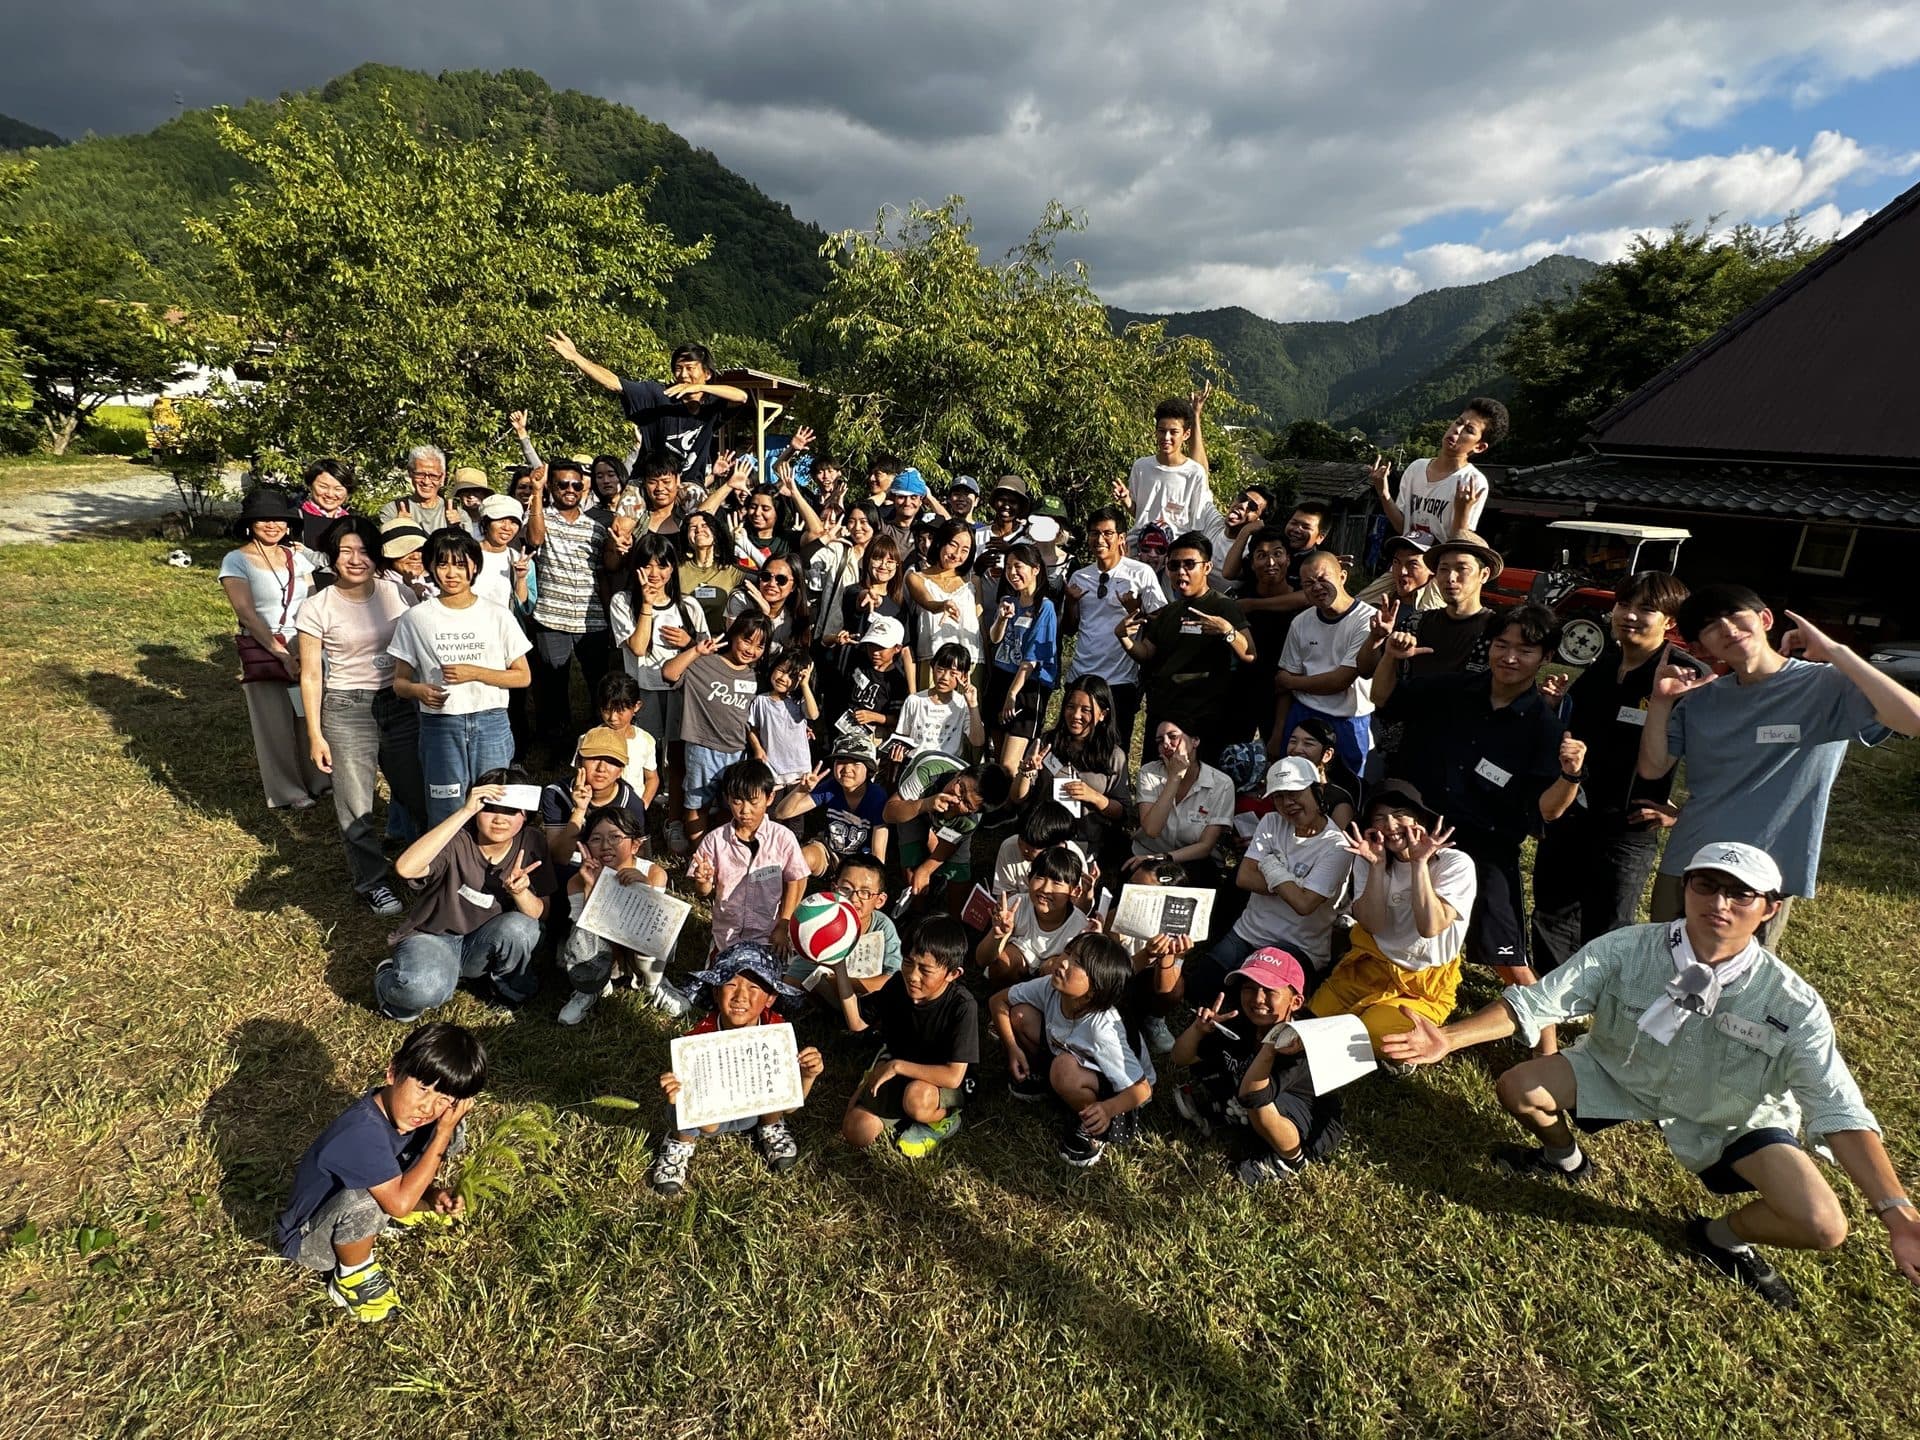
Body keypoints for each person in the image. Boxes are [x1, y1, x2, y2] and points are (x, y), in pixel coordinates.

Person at [1383, 842, 1920, 1311]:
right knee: (1518, 1087)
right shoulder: (1626, 948)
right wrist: (1448, 1038)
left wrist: (1898, 1215)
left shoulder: (1792, 1003)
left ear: (1770, 908)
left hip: (1732, 1115)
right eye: (1707, 886)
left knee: (1823, 1224)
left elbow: (1837, 1106)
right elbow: (1538, 1002)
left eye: (1741, 894)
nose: (1720, 904)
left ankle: (1720, 1236)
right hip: (1619, 1071)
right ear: (1686, 888)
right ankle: (1563, 1158)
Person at [1638, 586, 1920, 947]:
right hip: (1690, 858)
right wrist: (1661, 703)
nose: (1727, 628)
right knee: (1666, 963)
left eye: (1734, 614)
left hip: (1765, 871)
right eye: (1710, 626)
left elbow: (1913, 721)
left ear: (1766, 619)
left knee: (1742, 977)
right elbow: (1653, 768)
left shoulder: (1826, 685)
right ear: (1702, 647)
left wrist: (1837, 653)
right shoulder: (1701, 700)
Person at [1372, 605, 1581, 1045]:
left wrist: (1570, 777)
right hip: (1423, 835)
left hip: (1486, 847)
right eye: (1502, 645)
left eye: (1525, 650)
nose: (1509, 657)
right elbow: (1384, 698)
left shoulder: (1543, 727)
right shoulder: (1453, 688)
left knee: (1508, 958)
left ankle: (1547, 1052)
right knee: (1393, 918)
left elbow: (1548, 810)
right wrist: (1390, 656)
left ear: (1545, 658)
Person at [1531, 573, 1704, 967]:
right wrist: (1556, 705)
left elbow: (1716, 753)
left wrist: (1682, 811)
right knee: (1552, 911)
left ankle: (1603, 995)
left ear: (1669, 621)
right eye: (1624, 605)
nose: (1630, 615)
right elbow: (1578, 730)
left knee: (1608, 923)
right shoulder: (1605, 663)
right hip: (1572, 810)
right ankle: (1552, 992)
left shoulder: (1683, 675)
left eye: (1646, 609)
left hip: (1627, 825)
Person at [274, 1022, 486, 1323]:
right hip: (310, 1241)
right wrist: (441, 1133)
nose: (428, 1108)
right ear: (392, 1072)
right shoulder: (361, 1132)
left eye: (446, 1100)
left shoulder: (415, 1121)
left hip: (381, 1197)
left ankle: (391, 1215)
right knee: (372, 1198)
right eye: (423, 1089)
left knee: (448, 1137)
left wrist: (431, 1195)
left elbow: (406, 1177)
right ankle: (352, 1276)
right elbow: (397, 1204)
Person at [297, 517, 428, 916]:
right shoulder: (316, 606)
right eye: (346, 552)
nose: (356, 560)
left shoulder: (398, 593)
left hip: (399, 703)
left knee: (417, 792)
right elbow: (311, 675)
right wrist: (315, 734)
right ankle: (372, 881)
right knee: (355, 804)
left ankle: (423, 865)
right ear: (332, 557)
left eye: (365, 551)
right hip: (347, 708)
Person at [1306, 782, 1477, 1059]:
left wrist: (1418, 864)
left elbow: (1430, 927)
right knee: (1311, 1020)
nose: (1390, 825)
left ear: (1419, 818)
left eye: (1399, 814)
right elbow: (1372, 925)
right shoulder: (1369, 858)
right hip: (1370, 967)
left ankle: (1408, 1045)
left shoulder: (1455, 863)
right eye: (1379, 817)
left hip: (1422, 983)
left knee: (1372, 1033)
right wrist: (1375, 866)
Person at [650, 943, 826, 1195]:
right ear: (715, 991)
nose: (741, 996)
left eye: (754, 987)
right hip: (712, 1117)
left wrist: (808, 1075)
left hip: (754, 1111)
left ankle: (770, 1125)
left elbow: (789, 1105)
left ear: (771, 998)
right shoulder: (698, 1042)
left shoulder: (776, 1033)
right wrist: (683, 1100)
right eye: (731, 984)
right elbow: (709, 1126)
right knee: (681, 1104)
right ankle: (680, 1143)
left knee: (773, 1082)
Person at [375, 775, 554, 1021]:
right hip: (433, 936)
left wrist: (521, 893)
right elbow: (406, 868)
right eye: (489, 808)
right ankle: (386, 977)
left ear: (525, 815)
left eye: (511, 811)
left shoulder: (532, 841)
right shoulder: (458, 837)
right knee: (419, 992)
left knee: (523, 927)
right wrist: (464, 812)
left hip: (484, 942)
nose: (500, 819)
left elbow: (540, 913)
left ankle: (505, 989)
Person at [387, 529, 531, 827]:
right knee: (447, 805)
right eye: (442, 564)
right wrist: (417, 690)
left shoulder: (497, 614)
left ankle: (488, 856)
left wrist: (475, 673)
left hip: (490, 721)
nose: (451, 573)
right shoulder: (416, 618)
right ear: (430, 567)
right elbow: (399, 683)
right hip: (440, 725)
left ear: (475, 566)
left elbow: (522, 677)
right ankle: (449, 856)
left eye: (460, 564)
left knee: (494, 803)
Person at [1168, 948, 1346, 1186]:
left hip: (1304, 1117)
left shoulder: (1302, 1041)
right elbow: (1180, 1058)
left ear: (1295, 1002)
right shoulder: (1240, 1019)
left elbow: (1253, 1097)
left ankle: (1291, 1160)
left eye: (1270, 990)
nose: (1257, 998)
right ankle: (1226, 1112)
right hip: (1251, 1094)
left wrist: (1269, 1048)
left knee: (1256, 1101)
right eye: (1249, 988)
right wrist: (1198, 1030)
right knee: (1216, 1067)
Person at [1183, 756, 1354, 999]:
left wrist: (1271, 866)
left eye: (1294, 793)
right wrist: (1295, 886)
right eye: (1278, 797)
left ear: (1318, 791)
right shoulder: (1271, 821)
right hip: (1248, 932)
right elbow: (1244, 878)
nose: (1287, 803)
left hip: (1298, 947)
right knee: (1198, 989)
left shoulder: (1336, 846)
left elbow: (1304, 905)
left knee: (1256, 1002)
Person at [990, 931, 1156, 1168]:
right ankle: (1047, 1082)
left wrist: (1107, 1109)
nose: (1064, 962)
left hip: (1123, 1091)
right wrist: (1013, 1048)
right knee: (1020, 1015)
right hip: (1072, 1056)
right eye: (1068, 952)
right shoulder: (1051, 986)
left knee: (1064, 1068)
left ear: (1095, 989)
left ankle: (1093, 1127)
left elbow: (1142, 1090)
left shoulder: (1102, 1029)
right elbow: (998, 1001)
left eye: (1078, 963)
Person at [831, 915, 979, 1158]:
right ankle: (902, 1116)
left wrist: (896, 1066)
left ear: (953, 974)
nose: (913, 975)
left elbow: (953, 1077)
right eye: (908, 962)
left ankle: (942, 1120)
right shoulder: (898, 985)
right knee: (857, 1131)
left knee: (916, 1100)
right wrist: (839, 969)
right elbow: (857, 1023)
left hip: (938, 1081)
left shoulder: (963, 1006)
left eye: (925, 970)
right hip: (898, 1065)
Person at [219, 487, 329, 810]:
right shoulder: (236, 560)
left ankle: (319, 778)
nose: (272, 525)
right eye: (263, 519)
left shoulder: (297, 556)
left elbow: (313, 601)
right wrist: (281, 654)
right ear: (249, 524)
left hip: (303, 640)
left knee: (308, 713)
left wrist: (308, 646)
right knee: (273, 722)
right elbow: (246, 613)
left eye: (279, 519)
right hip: (263, 644)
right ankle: (287, 789)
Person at [1118, 531, 1254, 761]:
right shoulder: (1169, 611)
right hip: (1162, 715)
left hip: (1202, 720)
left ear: (1207, 567)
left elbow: (1250, 653)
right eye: (1174, 565)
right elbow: (1147, 653)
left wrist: (1227, 631)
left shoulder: (1223, 606)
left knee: (1196, 780)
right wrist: (1124, 637)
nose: (1181, 571)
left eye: (1189, 564)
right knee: (1154, 776)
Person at [548, 333, 747, 482]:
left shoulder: (713, 404)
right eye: (678, 369)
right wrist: (576, 357)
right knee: (624, 518)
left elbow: (742, 397)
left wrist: (700, 387)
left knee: (695, 515)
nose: (683, 374)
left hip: (688, 483)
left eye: (690, 368)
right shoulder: (658, 394)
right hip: (647, 479)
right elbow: (615, 383)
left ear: (707, 373)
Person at [610, 532, 709, 817]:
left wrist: (687, 642)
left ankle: (673, 807)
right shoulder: (623, 601)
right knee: (646, 748)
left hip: (681, 690)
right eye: (647, 565)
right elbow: (638, 647)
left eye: (662, 565)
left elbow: (705, 650)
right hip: (644, 688)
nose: (654, 574)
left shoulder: (688, 606)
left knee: (676, 751)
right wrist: (647, 605)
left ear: (673, 568)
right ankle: (643, 803)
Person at [556, 806, 683, 1026]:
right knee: (581, 936)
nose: (606, 846)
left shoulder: (653, 873)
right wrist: (590, 887)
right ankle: (590, 989)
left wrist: (644, 888)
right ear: (586, 846)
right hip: (604, 953)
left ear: (635, 845)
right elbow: (582, 932)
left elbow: (657, 923)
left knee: (659, 924)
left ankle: (654, 984)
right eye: (596, 839)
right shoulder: (577, 880)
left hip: (637, 956)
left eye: (615, 837)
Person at [525, 458, 613, 757]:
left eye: (576, 485)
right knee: (553, 687)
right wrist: (536, 492)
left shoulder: (596, 528)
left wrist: (609, 616)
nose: (570, 490)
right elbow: (535, 539)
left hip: (592, 620)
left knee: (598, 683)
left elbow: (602, 572)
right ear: (552, 487)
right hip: (552, 617)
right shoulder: (542, 518)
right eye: (563, 484)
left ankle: (599, 740)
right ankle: (557, 747)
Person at [661, 613, 770, 850]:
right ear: (733, 635)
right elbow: (669, 673)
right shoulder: (704, 663)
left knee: (730, 805)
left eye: (759, 646)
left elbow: (750, 720)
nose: (751, 650)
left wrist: (756, 747)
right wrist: (695, 651)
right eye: (747, 641)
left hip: (737, 751)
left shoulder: (754, 676)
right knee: (697, 803)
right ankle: (700, 853)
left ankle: (722, 851)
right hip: (702, 749)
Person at [1062, 507, 1166, 748]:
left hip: (1119, 680)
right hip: (1081, 675)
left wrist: (1135, 610)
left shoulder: (1141, 573)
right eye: (1094, 533)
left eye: (1107, 533)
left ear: (1121, 538)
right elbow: (1069, 628)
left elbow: (1161, 622)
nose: (1100, 539)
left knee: (1114, 750)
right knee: (1074, 746)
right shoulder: (1079, 577)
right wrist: (1071, 603)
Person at [684, 759, 810, 956]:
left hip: (769, 937)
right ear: (727, 799)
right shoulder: (715, 840)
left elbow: (795, 880)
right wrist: (703, 881)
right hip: (727, 937)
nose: (745, 810)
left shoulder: (783, 838)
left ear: (770, 797)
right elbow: (703, 892)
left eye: (753, 801)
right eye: (737, 801)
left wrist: (783, 925)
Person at [1271, 550, 1377, 779]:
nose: (1317, 587)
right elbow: (1283, 683)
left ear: (1342, 576)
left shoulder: (1368, 620)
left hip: (1349, 719)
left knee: (1346, 786)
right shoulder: (1301, 622)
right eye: (1308, 584)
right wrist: (1279, 732)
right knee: (1295, 782)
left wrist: (1292, 682)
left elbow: (1340, 680)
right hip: (1303, 714)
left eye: (1322, 578)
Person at [1007, 676, 1133, 865]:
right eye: (1070, 707)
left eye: (1086, 710)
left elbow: (1123, 813)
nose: (1075, 715)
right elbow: (1017, 797)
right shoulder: (1047, 743)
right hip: (1040, 839)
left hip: (1083, 844)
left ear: (1103, 714)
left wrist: (1094, 797)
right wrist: (1025, 772)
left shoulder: (1114, 756)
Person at [1356, 532, 1504, 681]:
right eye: (1444, 569)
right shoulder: (1414, 623)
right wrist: (1376, 639)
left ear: (1484, 575)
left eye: (1462, 569)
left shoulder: (1498, 631)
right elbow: (1367, 671)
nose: (1451, 578)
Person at [1365, 398, 1508, 549]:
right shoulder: (1416, 468)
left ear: (1479, 447)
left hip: (1439, 562)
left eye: (1469, 430)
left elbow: (1458, 541)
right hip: (1406, 558)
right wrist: (1383, 492)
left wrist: (1462, 510)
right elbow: (1402, 528)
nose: (1457, 430)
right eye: (1458, 422)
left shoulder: (1472, 482)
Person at [884, 755, 1013, 914]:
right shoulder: (927, 772)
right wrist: (925, 804)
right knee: (911, 861)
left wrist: (927, 869)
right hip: (913, 804)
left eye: (966, 803)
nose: (955, 800)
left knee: (959, 873)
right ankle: (918, 915)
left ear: (975, 811)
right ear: (960, 773)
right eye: (961, 788)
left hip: (947, 822)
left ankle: (955, 921)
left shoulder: (970, 820)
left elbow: (950, 843)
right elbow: (889, 812)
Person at [1124, 721, 1234, 890]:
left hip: (1193, 861)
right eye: (1160, 741)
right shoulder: (1149, 772)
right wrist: (1174, 778)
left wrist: (1165, 857)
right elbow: (1152, 829)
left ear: (1195, 741)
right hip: (1147, 854)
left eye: (1173, 737)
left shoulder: (1221, 784)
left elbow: (1205, 846)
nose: (1165, 744)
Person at [1115, 391, 1223, 557]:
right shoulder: (1141, 466)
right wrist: (1126, 500)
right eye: (1162, 431)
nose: (1166, 437)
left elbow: (1198, 523)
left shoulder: (1194, 473)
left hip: (1174, 552)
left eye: (1173, 432)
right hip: (1141, 548)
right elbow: (1140, 512)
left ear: (1186, 434)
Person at [984, 542, 1060, 772]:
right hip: (1001, 677)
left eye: (1018, 566)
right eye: (1008, 567)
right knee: (998, 762)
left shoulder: (1045, 607)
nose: (1012, 572)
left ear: (1035, 569)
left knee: (1010, 764)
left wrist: (1012, 694)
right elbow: (995, 638)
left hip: (1027, 686)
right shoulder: (1008, 601)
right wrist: (1002, 618)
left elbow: (1032, 658)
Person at [786, 851, 904, 997]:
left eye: (865, 892)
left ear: (880, 900)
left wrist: (840, 982)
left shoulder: (882, 926)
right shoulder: (822, 922)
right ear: (834, 889)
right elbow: (793, 979)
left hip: (871, 1001)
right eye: (846, 889)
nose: (853, 898)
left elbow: (895, 978)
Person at [540, 725, 654, 874]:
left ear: (621, 770)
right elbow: (557, 858)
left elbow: (643, 859)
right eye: (594, 758)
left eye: (611, 761)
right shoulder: (557, 794)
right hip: (569, 872)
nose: (601, 768)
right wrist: (579, 811)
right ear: (579, 762)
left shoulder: (632, 803)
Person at [773, 733, 892, 875]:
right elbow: (782, 813)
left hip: (861, 859)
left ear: (869, 769)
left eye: (856, 763)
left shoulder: (877, 797)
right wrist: (800, 790)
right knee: (803, 858)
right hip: (829, 851)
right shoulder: (830, 787)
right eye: (841, 761)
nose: (847, 769)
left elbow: (878, 854)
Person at [977, 845, 1091, 986]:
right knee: (1002, 965)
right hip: (1019, 956)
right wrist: (997, 935)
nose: (1045, 889)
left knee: (1054, 968)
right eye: (1040, 877)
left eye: (1056, 883)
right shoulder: (1016, 905)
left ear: (1075, 891)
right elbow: (982, 960)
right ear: (1029, 878)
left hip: (1050, 976)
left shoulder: (1080, 927)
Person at [905, 520, 984, 690]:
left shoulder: (974, 581)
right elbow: (928, 602)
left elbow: (981, 625)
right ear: (940, 542)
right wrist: (942, 605)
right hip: (933, 660)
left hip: (970, 663)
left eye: (965, 550)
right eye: (953, 545)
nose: (957, 554)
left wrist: (989, 666)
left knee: (969, 706)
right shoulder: (916, 577)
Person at [888, 642, 986, 765]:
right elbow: (902, 736)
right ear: (932, 667)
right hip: (915, 763)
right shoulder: (915, 700)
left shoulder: (962, 705)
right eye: (940, 669)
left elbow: (978, 741)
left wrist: (973, 705)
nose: (945, 677)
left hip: (947, 765)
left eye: (953, 673)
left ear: (964, 676)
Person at [748, 649, 818, 786]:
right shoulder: (760, 701)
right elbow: (752, 728)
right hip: (772, 769)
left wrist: (804, 685)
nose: (783, 678)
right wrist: (757, 749)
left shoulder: (799, 701)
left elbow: (813, 715)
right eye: (781, 670)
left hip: (800, 770)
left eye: (792, 676)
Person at [675, 510, 742, 635]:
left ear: (716, 534)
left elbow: (768, 576)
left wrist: (745, 545)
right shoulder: (676, 570)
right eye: (693, 527)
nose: (699, 530)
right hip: (686, 641)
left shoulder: (731, 570)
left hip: (721, 642)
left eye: (704, 525)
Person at [472, 494, 531, 613]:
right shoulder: (467, 554)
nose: (507, 527)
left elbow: (522, 607)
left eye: (513, 522)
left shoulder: (520, 560)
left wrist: (521, 579)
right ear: (486, 523)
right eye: (500, 520)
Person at [377, 446, 451, 532]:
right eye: (420, 474)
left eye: (433, 476)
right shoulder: (392, 511)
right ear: (410, 473)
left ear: (442, 476)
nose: (426, 482)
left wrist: (458, 528)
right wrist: (397, 525)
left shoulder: (457, 514)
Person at [296, 458, 355, 547]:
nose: (330, 494)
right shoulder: (296, 518)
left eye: (338, 489)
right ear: (310, 486)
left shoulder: (353, 524)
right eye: (323, 487)